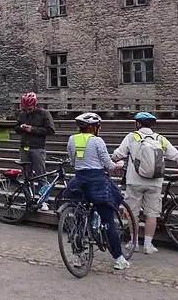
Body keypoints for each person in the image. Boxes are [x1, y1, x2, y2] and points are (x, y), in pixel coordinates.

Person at [112, 112, 178, 255]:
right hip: (155, 182)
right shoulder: (160, 139)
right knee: (152, 213)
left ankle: (133, 243)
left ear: (138, 124)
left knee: (132, 212)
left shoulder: (132, 137)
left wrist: (118, 162)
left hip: (134, 181)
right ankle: (148, 245)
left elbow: (117, 155)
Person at [64, 112, 129, 271]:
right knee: (108, 220)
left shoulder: (72, 139)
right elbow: (108, 164)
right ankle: (119, 259)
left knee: (79, 217)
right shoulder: (97, 140)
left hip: (79, 180)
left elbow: (72, 160)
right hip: (97, 180)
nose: (99, 129)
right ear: (93, 127)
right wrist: (118, 165)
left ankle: (78, 256)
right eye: (98, 126)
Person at [14, 92, 55, 210]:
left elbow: (50, 130)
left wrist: (32, 129)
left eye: (29, 109)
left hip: (38, 147)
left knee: (41, 175)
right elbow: (16, 128)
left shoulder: (44, 114)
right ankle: (28, 199)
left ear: (35, 105)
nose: (27, 111)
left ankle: (44, 200)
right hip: (24, 147)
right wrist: (20, 128)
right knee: (26, 176)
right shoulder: (22, 114)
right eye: (25, 109)